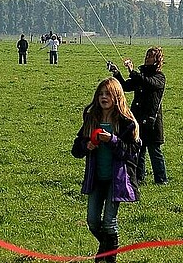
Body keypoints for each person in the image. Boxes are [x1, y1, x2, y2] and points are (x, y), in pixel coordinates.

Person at [71, 77, 140, 263]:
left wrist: (112, 140)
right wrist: (86, 145)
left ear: (117, 96)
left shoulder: (126, 123)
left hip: (116, 180)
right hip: (96, 178)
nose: (103, 97)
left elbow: (132, 152)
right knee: (92, 221)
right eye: (100, 94)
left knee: (109, 222)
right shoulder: (91, 119)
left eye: (108, 94)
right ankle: (105, 249)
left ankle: (109, 259)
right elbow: (76, 149)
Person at [112, 47, 169, 184]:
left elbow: (148, 83)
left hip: (152, 120)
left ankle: (161, 180)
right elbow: (126, 86)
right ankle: (138, 177)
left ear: (157, 60)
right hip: (137, 118)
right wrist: (117, 73)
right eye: (147, 55)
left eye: (151, 56)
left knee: (154, 151)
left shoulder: (159, 77)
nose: (147, 58)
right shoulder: (141, 75)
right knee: (139, 149)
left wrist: (132, 71)